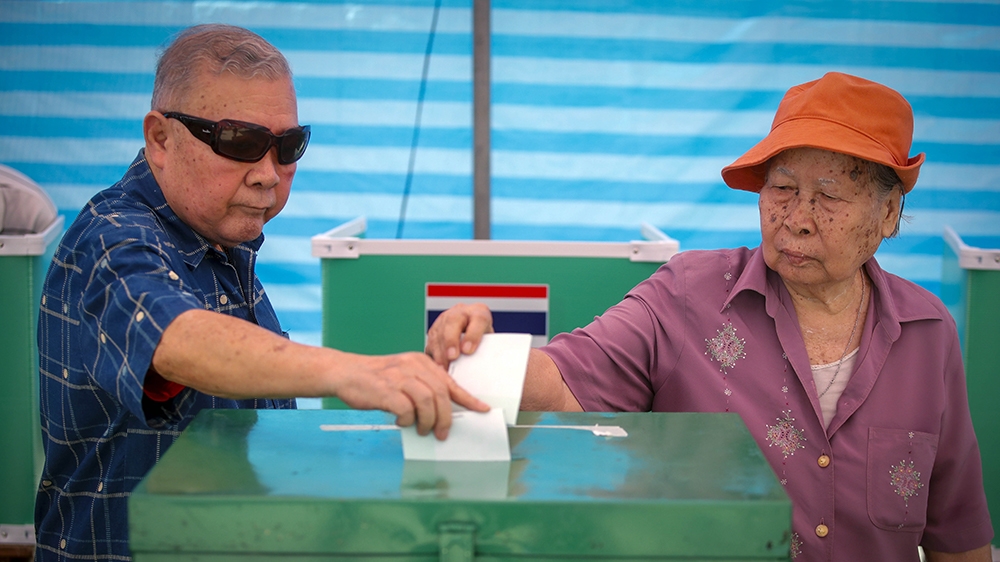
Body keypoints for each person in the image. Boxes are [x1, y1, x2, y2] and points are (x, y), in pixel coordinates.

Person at [427, 72, 993, 561]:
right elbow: (566, 378)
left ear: (889, 213)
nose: (796, 218)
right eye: (782, 189)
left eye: (828, 197)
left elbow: (957, 530)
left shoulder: (928, 333)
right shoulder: (690, 295)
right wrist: (481, 351)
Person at [35, 24, 486, 561]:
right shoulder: (109, 241)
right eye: (240, 142)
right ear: (160, 139)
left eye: (287, 146)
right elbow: (175, 337)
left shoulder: (218, 240)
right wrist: (355, 372)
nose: (268, 175)